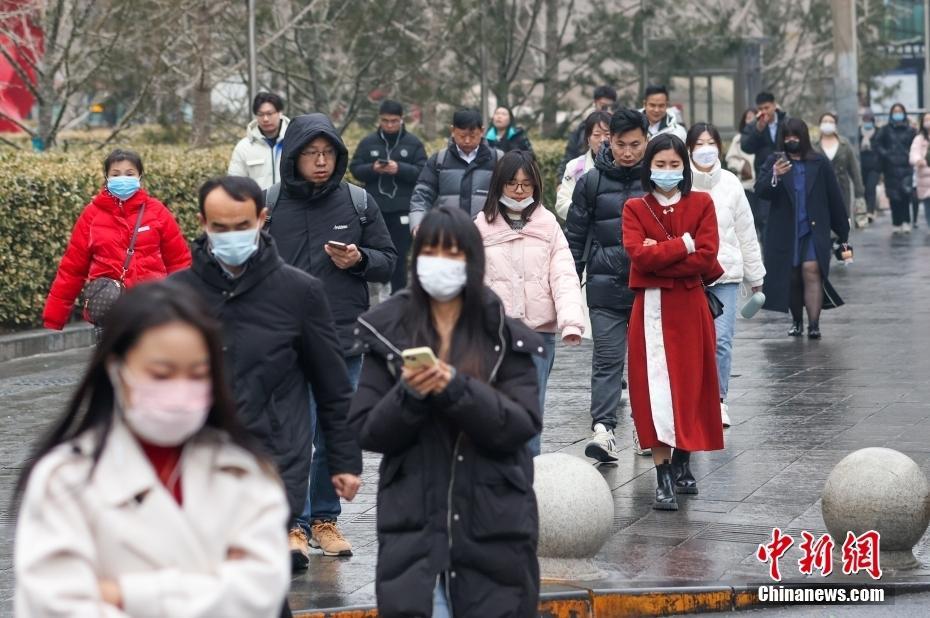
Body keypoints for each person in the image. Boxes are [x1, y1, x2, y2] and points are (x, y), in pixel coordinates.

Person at [15, 281, 290, 617]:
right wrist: (211, 587)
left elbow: (258, 594)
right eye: (161, 375)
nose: (180, 390)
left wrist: (123, 594)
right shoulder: (65, 480)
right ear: (116, 369)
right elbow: (57, 603)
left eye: (197, 375)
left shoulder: (245, 473)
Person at [349, 205, 541, 618]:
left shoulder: (504, 336)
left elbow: (521, 423)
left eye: (454, 253)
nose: (442, 263)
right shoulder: (387, 330)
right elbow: (368, 429)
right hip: (414, 529)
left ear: (473, 260)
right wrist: (410, 395)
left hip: (493, 524)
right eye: (431, 252)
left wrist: (456, 388)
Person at [171, 176, 363, 570]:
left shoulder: (298, 293)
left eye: (242, 226)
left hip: (275, 463)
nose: (231, 236)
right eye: (219, 227)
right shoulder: (177, 296)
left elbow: (332, 386)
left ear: (262, 219)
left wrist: (344, 460)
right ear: (202, 223)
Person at [268, 112, 397, 557]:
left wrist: (360, 259)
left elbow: (388, 259)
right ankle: (293, 524)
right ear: (294, 157)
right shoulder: (272, 203)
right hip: (286, 340)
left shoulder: (357, 202)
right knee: (292, 433)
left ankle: (325, 520)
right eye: (311, 154)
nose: (321, 162)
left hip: (344, 336)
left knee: (333, 431)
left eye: (328, 154)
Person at [621, 133, 725, 511]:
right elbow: (638, 256)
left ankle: (684, 460)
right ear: (649, 167)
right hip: (649, 308)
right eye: (660, 165)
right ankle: (663, 474)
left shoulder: (702, 203)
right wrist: (684, 244)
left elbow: (707, 256)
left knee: (690, 384)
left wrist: (660, 253)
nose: (667, 172)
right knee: (654, 390)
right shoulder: (635, 208)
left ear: (685, 167)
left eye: (674, 165)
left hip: (690, 307)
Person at [475, 150, 585, 455]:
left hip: (538, 335)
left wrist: (571, 321)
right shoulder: (481, 227)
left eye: (526, 185)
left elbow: (563, 276)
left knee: (529, 413)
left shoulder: (548, 225)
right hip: (494, 336)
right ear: (499, 185)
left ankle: (526, 481)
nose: (520, 191)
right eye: (512, 184)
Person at [565, 108, 648, 462]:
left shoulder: (658, 179)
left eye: (635, 144)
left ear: (646, 141)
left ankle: (648, 430)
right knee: (607, 359)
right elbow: (575, 237)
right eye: (620, 144)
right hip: (604, 286)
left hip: (650, 288)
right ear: (607, 141)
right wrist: (569, 284)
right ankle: (604, 429)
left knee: (648, 363)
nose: (627, 152)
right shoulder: (591, 182)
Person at [43, 149, 191, 332]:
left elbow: (179, 262)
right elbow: (72, 268)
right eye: (116, 174)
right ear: (107, 177)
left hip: (153, 308)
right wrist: (54, 317)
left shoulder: (157, 212)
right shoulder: (92, 215)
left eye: (129, 174)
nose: (123, 178)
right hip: (110, 310)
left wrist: (188, 307)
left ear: (140, 176)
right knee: (114, 361)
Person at [688, 123, 765, 429]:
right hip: (691, 274)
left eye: (711, 142)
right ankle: (693, 398)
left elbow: (746, 232)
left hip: (727, 275)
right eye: (699, 143)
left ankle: (718, 400)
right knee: (695, 341)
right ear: (689, 149)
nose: (705, 149)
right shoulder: (680, 183)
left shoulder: (731, 183)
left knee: (721, 340)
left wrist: (754, 274)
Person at [755, 118, 850, 339]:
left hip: (813, 229)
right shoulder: (775, 161)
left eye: (795, 135)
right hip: (785, 231)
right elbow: (760, 190)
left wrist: (842, 230)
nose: (791, 139)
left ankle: (814, 324)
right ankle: (797, 321)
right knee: (793, 275)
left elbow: (834, 196)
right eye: (787, 135)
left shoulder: (819, 162)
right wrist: (775, 175)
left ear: (804, 137)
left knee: (812, 271)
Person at [349, 100, 428, 293]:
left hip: (402, 208)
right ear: (380, 120)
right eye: (385, 121)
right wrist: (373, 168)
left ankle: (399, 294)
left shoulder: (413, 143)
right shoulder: (368, 142)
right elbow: (355, 168)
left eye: (394, 121)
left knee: (400, 254)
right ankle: (379, 292)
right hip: (376, 209)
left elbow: (423, 171)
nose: (390, 125)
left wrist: (399, 169)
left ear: (401, 120)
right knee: (375, 252)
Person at [409, 108, 502, 231]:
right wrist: (418, 222)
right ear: (453, 131)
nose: (467, 141)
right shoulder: (439, 160)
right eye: (462, 136)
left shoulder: (498, 159)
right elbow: (422, 195)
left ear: (482, 131)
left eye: (472, 136)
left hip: (488, 233)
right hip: (448, 231)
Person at [555, 110, 612, 219]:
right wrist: (586, 213)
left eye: (607, 134)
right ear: (588, 139)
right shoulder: (574, 167)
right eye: (596, 135)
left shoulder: (623, 165)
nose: (603, 140)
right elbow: (561, 204)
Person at [228, 92, 290, 190]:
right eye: (261, 114)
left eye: (269, 114)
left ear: (280, 113)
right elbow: (235, 185)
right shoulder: (244, 147)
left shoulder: (295, 141)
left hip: (290, 204)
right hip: (258, 204)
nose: (265, 119)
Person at [814, 112, 866, 227]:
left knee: (841, 223)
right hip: (819, 190)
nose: (828, 124)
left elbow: (854, 169)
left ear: (835, 125)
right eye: (825, 122)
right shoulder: (814, 145)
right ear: (820, 124)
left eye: (831, 122)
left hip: (842, 188)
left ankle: (841, 242)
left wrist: (859, 191)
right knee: (822, 223)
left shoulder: (844, 144)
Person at [555, 85, 617, 181]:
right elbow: (569, 156)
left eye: (609, 106)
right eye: (603, 105)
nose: (602, 139)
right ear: (595, 102)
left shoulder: (619, 127)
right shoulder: (582, 129)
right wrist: (561, 182)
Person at [875, 102, 916, 234]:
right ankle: (896, 223)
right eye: (895, 111)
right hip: (890, 168)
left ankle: (906, 222)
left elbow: (914, 145)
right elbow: (877, 144)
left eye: (900, 111)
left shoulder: (910, 130)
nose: (897, 114)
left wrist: (910, 156)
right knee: (893, 197)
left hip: (906, 167)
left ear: (904, 113)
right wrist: (886, 154)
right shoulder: (885, 130)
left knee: (905, 194)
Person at [726, 108, 762, 240]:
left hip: (763, 186)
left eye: (754, 117)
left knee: (763, 222)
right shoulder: (738, 138)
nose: (751, 120)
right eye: (748, 117)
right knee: (747, 222)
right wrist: (742, 166)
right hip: (745, 186)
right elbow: (730, 159)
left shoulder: (765, 136)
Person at [740, 92, 788, 177]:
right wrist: (758, 130)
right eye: (760, 109)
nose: (764, 112)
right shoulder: (753, 125)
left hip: (785, 170)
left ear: (774, 105)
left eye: (767, 108)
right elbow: (746, 147)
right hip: (763, 172)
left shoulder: (786, 122)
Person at [908, 111, 930, 231]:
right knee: (928, 206)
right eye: (926, 119)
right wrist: (918, 161)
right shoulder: (919, 138)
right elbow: (913, 153)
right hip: (924, 179)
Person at [859, 111, 881, 223]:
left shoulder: (878, 132)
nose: (867, 122)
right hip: (861, 165)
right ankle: (863, 210)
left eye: (869, 120)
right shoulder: (858, 131)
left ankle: (870, 212)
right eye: (865, 120)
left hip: (874, 166)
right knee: (862, 189)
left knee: (870, 189)